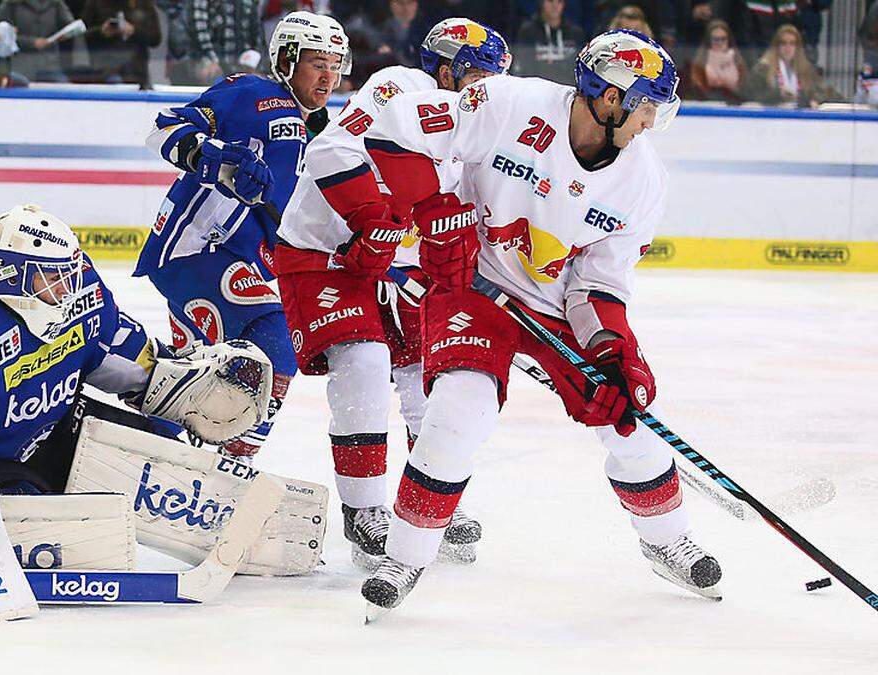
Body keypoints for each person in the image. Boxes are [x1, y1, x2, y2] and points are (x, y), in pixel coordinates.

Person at [353, 29, 722, 612]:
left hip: (553, 305)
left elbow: (599, 281)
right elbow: (393, 128)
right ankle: (404, 557)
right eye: (646, 106)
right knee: (458, 412)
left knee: (629, 421)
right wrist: (432, 211)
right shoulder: (506, 103)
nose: (650, 123)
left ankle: (668, 541)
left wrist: (612, 347)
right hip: (472, 284)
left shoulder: (642, 180)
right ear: (609, 98)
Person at [0, 204, 273, 611]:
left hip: (52, 425)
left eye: (68, 275)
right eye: (50, 279)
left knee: (159, 453)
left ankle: (252, 530)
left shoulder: (78, 283)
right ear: (9, 274)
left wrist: (168, 381)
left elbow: (111, 345)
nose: (65, 289)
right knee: (42, 528)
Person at [275, 17, 510, 568]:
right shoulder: (403, 88)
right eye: (476, 76)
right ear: (447, 68)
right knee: (364, 358)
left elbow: (454, 222)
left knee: (425, 375)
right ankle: (364, 510)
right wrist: (370, 218)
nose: (484, 91)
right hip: (323, 255)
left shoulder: (475, 133)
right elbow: (331, 151)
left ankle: (421, 504)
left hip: (392, 267)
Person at [133, 11, 350, 460]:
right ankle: (235, 456)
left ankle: (151, 452)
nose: (328, 76)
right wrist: (216, 158)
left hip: (234, 261)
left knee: (196, 371)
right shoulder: (253, 92)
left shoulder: (322, 131)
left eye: (336, 64)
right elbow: (164, 128)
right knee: (277, 331)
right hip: (193, 250)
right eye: (317, 63)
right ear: (287, 61)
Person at [745, 23, 835, 108]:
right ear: (777, 46)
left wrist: (814, 100)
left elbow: (824, 92)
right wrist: (778, 94)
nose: (788, 48)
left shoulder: (806, 69)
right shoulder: (763, 68)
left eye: (792, 43)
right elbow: (752, 95)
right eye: (783, 43)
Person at [82, 0, 162, 86]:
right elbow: (82, 33)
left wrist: (134, 31)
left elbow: (155, 38)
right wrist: (100, 31)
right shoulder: (96, 3)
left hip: (137, 72)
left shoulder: (143, 4)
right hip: (103, 70)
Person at [0, 0, 75, 81]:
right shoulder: (10, 4)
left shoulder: (56, 3)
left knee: (63, 90)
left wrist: (66, 33)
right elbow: (0, 37)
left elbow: (70, 25)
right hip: (19, 65)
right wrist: (31, 43)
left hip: (49, 64)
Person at [513, 0, 583, 83]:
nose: (555, 6)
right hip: (536, 88)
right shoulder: (528, 32)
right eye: (550, 1)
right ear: (542, 3)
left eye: (559, 1)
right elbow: (523, 67)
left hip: (567, 89)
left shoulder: (575, 33)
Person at [686, 19, 745, 103]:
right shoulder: (699, 63)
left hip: (734, 104)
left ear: (729, 40)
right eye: (715, 39)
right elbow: (697, 88)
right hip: (707, 103)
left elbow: (744, 87)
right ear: (709, 40)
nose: (719, 43)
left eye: (723, 39)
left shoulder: (738, 61)